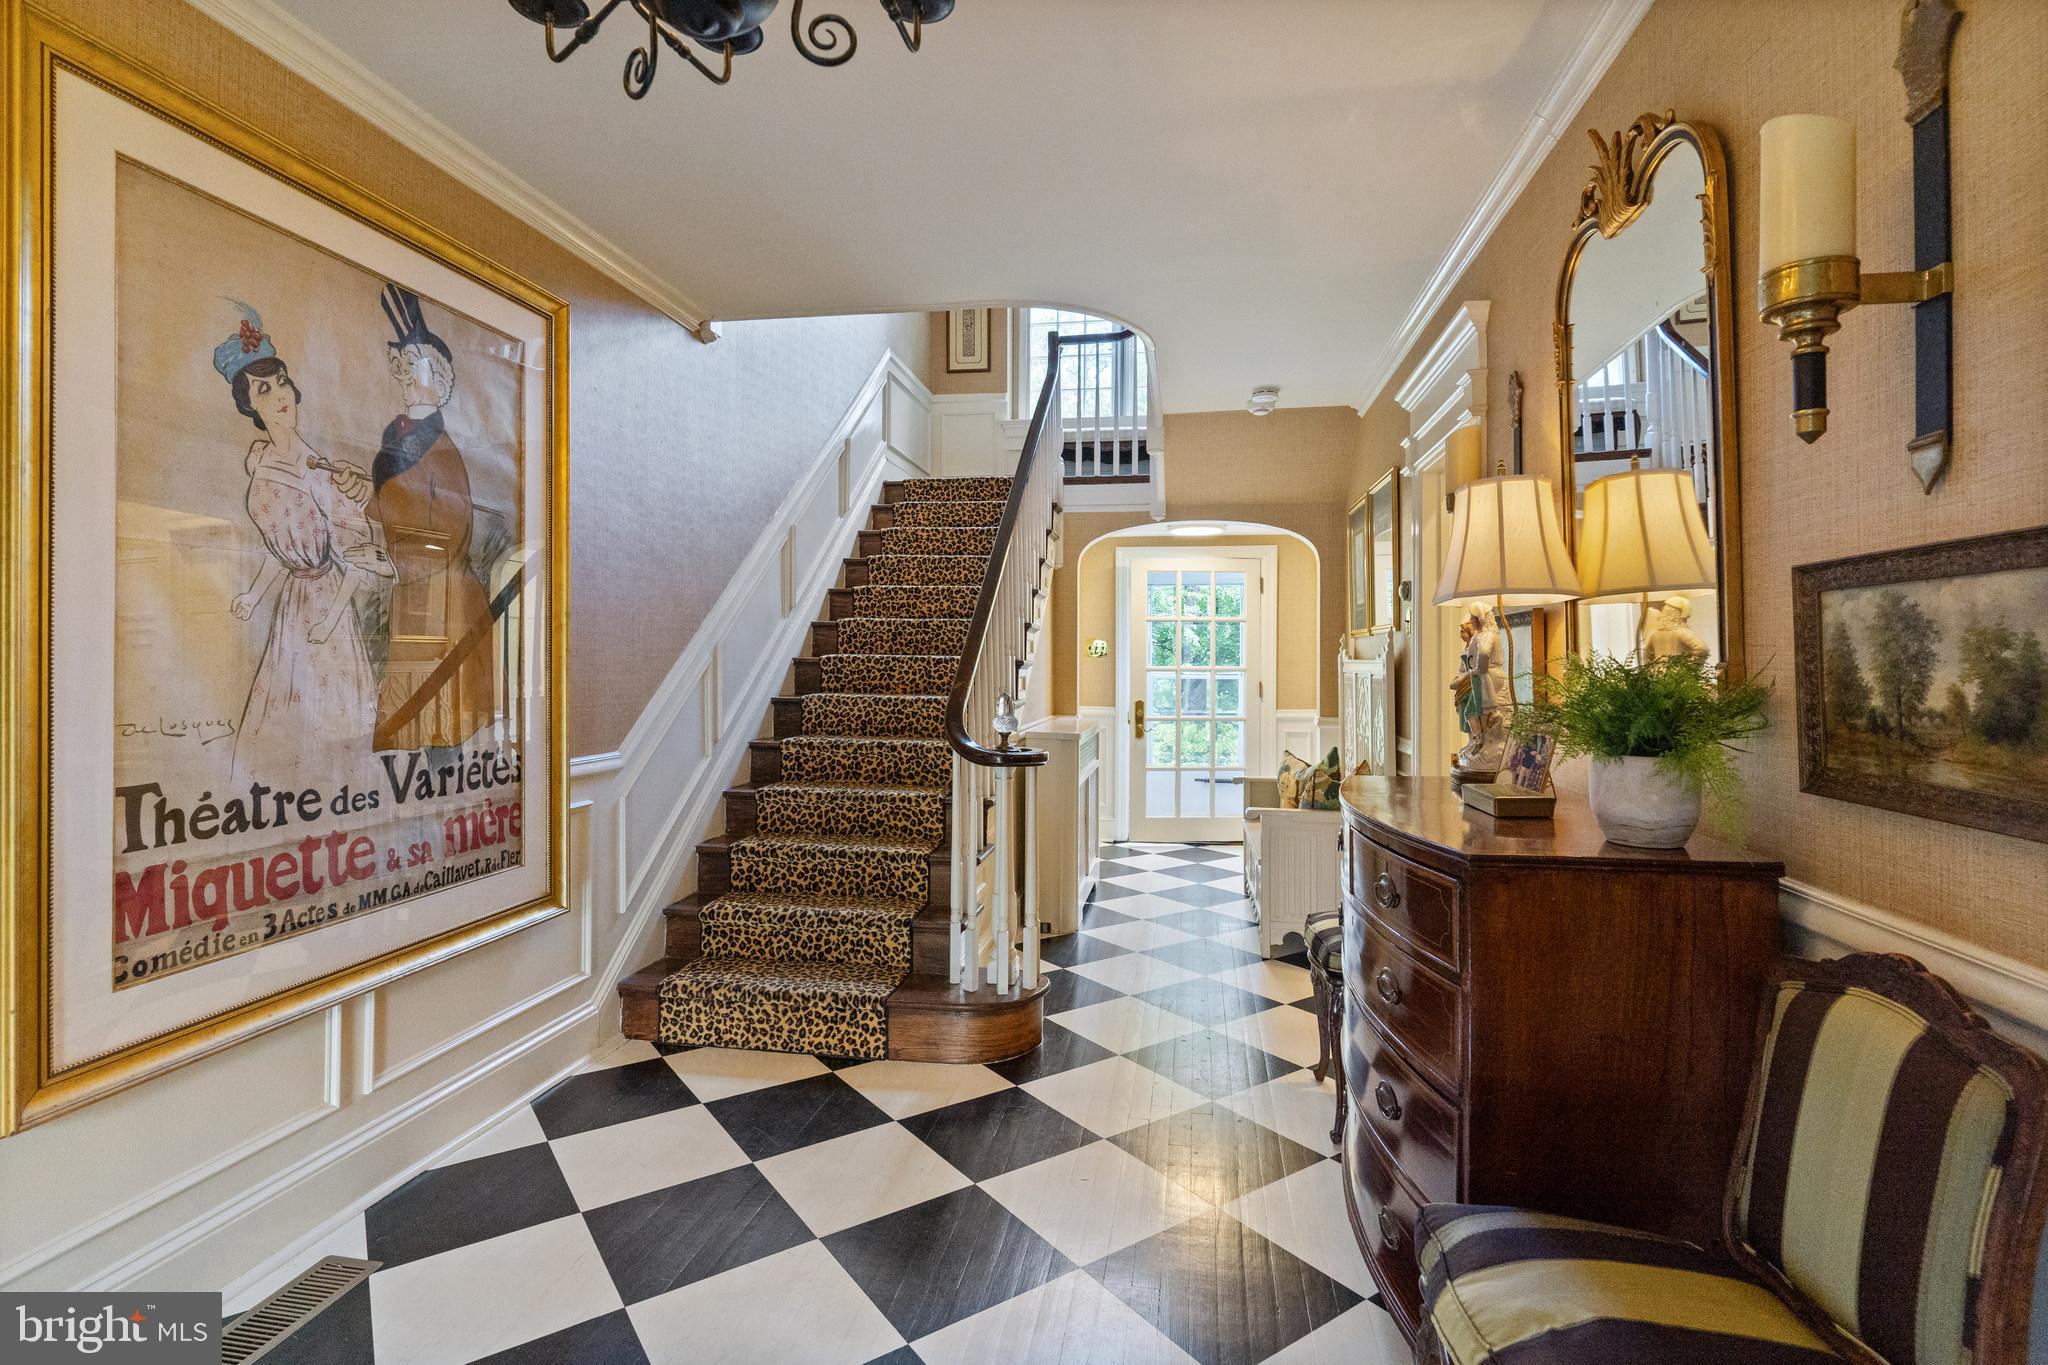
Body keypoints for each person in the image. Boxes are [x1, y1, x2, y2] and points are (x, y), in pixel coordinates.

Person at [219, 304, 392, 790]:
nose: (279, 396)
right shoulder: (260, 463)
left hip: (326, 608)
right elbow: (281, 554)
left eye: (281, 383)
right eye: (263, 390)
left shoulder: (323, 473)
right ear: (250, 406)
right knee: (285, 715)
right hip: (292, 609)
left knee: (331, 720)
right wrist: (254, 595)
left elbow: (355, 561)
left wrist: (330, 620)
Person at [368, 284, 497, 751]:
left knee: (440, 719)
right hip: (415, 591)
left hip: (443, 596)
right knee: (410, 713)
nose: (405, 376)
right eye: (401, 365)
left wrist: (393, 549)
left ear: (439, 382)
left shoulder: (441, 451)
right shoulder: (398, 439)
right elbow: (390, 504)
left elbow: (446, 527)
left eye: (415, 366)